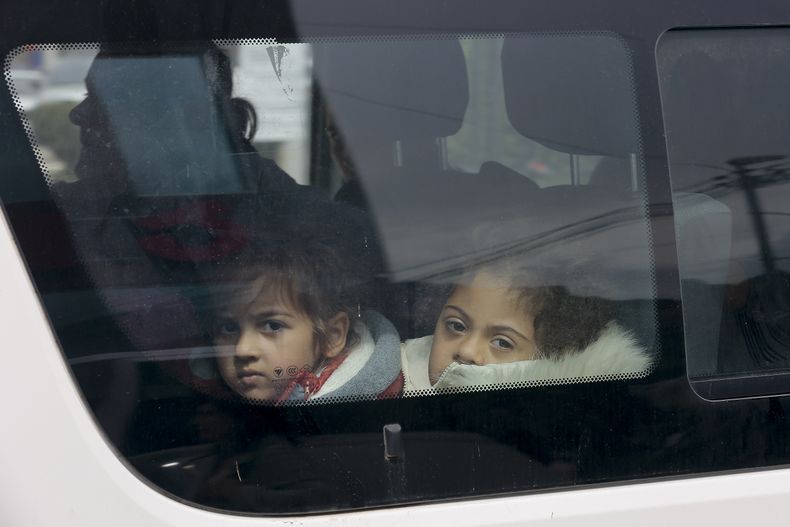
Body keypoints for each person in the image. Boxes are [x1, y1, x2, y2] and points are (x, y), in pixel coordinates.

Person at [401, 257, 653, 393]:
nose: (466, 351)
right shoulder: (394, 378)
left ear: (550, 358)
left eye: (502, 342)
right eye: (456, 325)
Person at [206, 238, 403, 404]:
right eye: (229, 328)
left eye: (272, 325)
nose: (243, 350)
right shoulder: (207, 402)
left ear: (331, 336)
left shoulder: (374, 406)